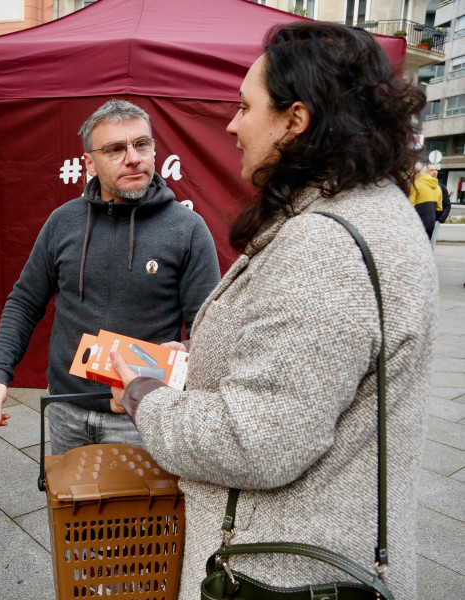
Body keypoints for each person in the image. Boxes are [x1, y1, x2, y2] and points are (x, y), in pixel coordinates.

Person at [109, 22, 436, 599]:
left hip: (280, 572)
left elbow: (254, 441)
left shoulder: (324, 246)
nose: (231, 125)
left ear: (296, 120)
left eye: (244, 107)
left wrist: (142, 395)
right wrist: (204, 360)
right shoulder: (375, 208)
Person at [0, 99, 221, 454]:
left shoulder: (187, 230)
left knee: (140, 512)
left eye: (141, 144)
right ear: (89, 162)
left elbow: (206, 331)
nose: (133, 157)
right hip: (65, 409)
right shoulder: (63, 222)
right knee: (68, 509)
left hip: (141, 417)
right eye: (115, 149)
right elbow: (25, 302)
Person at [409, 161, 441, 239]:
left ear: (414, 172)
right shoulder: (438, 187)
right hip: (430, 224)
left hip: (417, 225)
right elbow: (439, 208)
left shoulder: (415, 185)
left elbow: (409, 207)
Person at [427, 162, 451, 248]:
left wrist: (440, 220)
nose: (434, 172)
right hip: (423, 221)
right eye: (431, 170)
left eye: (436, 170)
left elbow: (447, 205)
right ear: (426, 172)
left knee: (431, 246)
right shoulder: (420, 186)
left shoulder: (441, 187)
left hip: (435, 221)